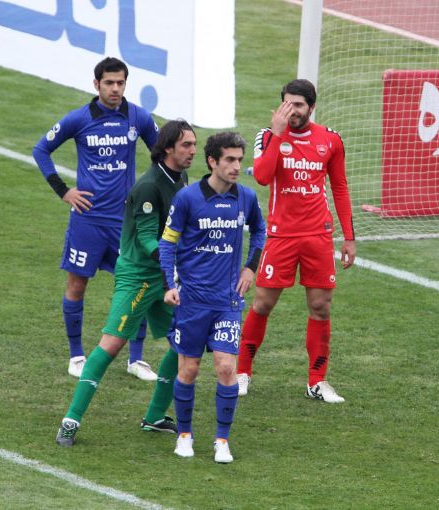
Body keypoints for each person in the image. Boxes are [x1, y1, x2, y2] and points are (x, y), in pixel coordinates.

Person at [56, 119, 198, 447]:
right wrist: (172, 266)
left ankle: (154, 416)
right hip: (139, 277)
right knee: (111, 344)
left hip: (164, 275)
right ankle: (71, 421)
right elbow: (148, 239)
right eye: (186, 145)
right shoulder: (149, 186)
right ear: (168, 148)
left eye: (194, 144)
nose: (193, 151)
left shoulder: (180, 178)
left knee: (184, 341)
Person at [33, 56, 157, 381]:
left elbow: (163, 156)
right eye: (109, 83)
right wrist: (64, 191)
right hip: (87, 221)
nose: (115, 89)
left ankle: (136, 359)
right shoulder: (79, 119)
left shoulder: (139, 118)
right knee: (77, 285)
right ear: (96, 84)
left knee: (138, 285)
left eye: (120, 83)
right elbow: (41, 150)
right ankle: (76, 355)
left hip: (124, 223)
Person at [236, 79, 356, 403]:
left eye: (299, 105)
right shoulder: (267, 136)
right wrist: (277, 134)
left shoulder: (330, 140)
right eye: (287, 104)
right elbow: (263, 176)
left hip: (318, 236)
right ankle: (242, 372)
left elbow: (340, 188)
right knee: (263, 304)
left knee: (320, 307)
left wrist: (349, 237)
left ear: (312, 107)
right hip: (282, 236)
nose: (292, 111)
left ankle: (317, 381)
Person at [159, 132, 265, 463]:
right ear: (212, 161)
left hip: (227, 302)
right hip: (191, 301)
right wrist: (169, 284)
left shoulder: (246, 198)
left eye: (239, 160)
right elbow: (167, 242)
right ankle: (185, 435)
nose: (236, 166)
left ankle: (222, 440)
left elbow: (260, 231)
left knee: (226, 367)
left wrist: (250, 268)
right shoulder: (187, 198)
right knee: (189, 370)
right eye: (230, 160)